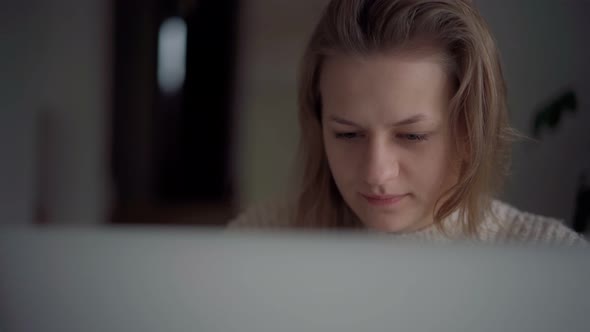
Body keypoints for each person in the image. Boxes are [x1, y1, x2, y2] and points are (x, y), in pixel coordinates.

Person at [229, 0, 585, 244]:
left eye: (413, 136)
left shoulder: (549, 257)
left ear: (470, 127)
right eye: (347, 134)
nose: (376, 174)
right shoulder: (260, 239)